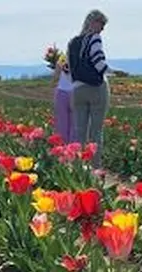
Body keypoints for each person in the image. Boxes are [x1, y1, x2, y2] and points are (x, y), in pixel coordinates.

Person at [67, 10, 110, 167]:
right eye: (102, 24)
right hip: (96, 88)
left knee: (79, 130)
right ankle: (94, 166)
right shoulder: (94, 39)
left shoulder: (73, 42)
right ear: (93, 22)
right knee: (96, 131)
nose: (102, 29)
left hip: (77, 89)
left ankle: (78, 166)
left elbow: (70, 67)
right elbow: (98, 61)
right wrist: (112, 72)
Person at [51, 54, 75, 143]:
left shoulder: (63, 58)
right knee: (75, 124)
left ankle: (62, 148)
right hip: (76, 92)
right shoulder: (81, 57)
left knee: (61, 123)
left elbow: (55, 78)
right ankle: (73, 149)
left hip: (62, 91)